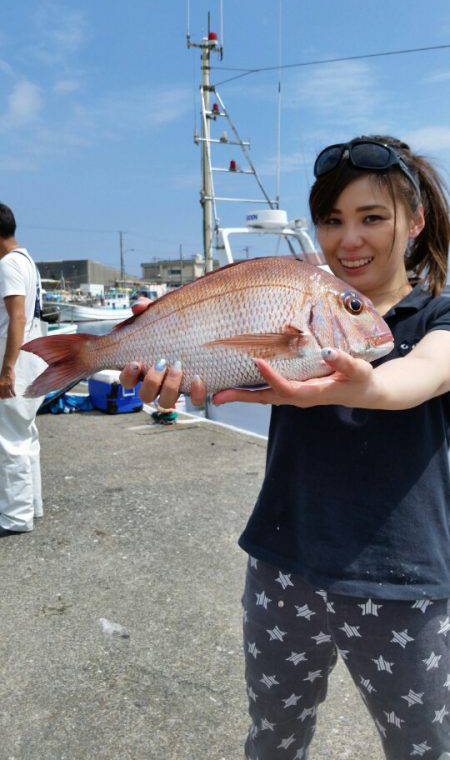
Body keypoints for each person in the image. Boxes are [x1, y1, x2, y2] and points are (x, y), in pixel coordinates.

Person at [119, 136, 450, 760]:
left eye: (372, 217)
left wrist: (366, 382)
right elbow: (212, 368)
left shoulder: (439, 318)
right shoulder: (300, 306)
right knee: (273, 734)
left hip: (404, 582)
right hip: (282, 562)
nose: (348, 239)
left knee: (422, 744)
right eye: (331, 220)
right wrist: (170, 373)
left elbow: (420, 378)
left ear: (416, 221)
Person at [0, 203, 46, 536]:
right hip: (31, 360)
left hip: (16, 362)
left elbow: (15, 317)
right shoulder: (27, 261)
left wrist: (6, 369)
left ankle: (15, 517)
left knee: (8, 440)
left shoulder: (7, 265)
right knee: (25, 434)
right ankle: (32, 504)